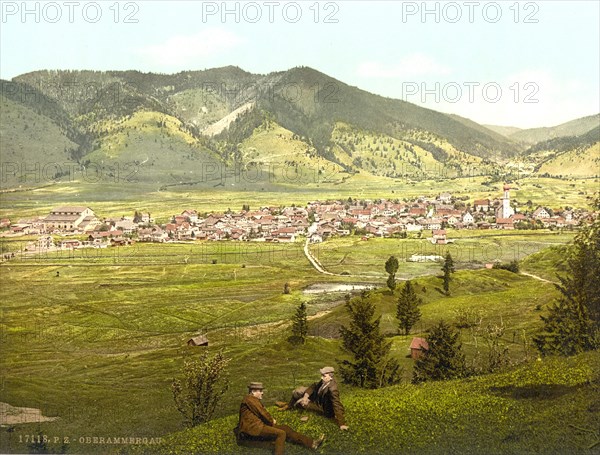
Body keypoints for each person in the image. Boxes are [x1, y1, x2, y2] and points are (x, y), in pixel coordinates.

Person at [235, 382, 325, 455]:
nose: (262, 393)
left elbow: (261, 413)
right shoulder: (250, 400)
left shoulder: (251, 399)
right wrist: (271, 421)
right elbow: (262, 413)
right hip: (253, 429)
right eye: (260, 391)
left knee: (285, 428)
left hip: (258, 425)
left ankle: (312, 444)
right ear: (253, 392)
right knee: (281, 434)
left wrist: (270, 421)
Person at [278, 366, 348, 431]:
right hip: (317, 398)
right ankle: (289, 405)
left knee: (301, 402)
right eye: (322, 375)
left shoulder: (333, 389)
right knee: (298, 391)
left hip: (321, 407)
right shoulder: (325, 380)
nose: (321, 377)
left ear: (330, 377)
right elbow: (314, 386)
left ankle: (290, 405)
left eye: (324, 376)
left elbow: (337, 404)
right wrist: (306, 396)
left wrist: (341, 423)